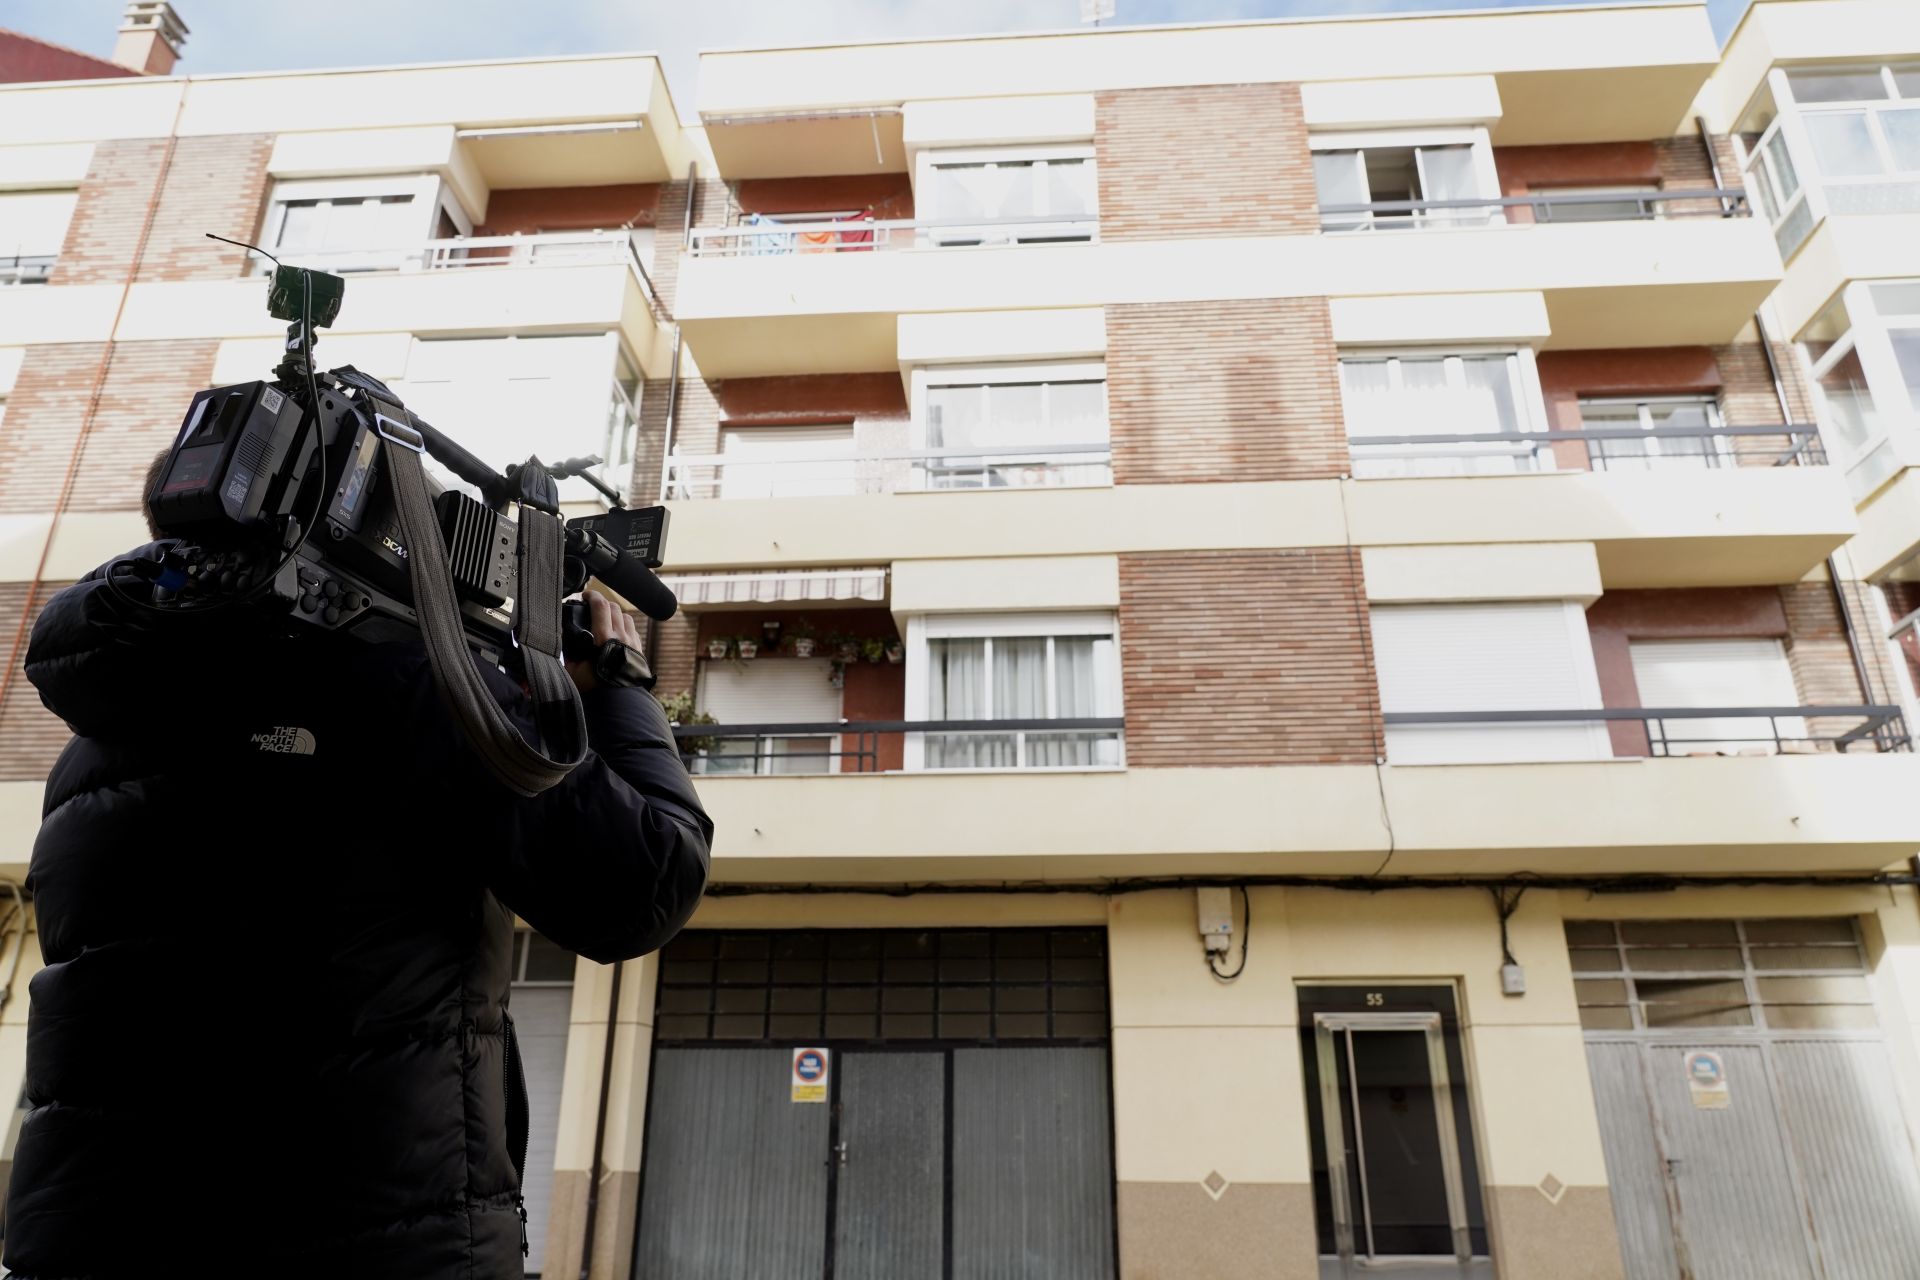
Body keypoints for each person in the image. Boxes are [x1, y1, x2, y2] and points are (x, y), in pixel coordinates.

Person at [1, 470, 712, 1278]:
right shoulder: (411, 687)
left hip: (91, 1239)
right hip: (374, 1239)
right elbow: (646, 884)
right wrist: (614, 682)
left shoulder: (96, 742)